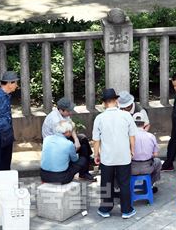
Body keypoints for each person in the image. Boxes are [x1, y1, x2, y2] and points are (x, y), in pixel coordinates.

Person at [93, 88, 137, 219]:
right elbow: (132, 136)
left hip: (107, 158)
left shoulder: (99, 118)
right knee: (124, 183)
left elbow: (96, 140)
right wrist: (132, 150)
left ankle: (105, 209)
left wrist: (96, 155)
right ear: (116, 100)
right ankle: (126, 210)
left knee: (106, 183)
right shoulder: (126, 115)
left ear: (104, 103)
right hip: (124, 156)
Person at [42, 97, 95, 181]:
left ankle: (84, 170)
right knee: (80, 152)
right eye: (68, 111)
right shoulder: (55, 119)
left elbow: (71, 126)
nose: (70, 113)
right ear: (61, 110)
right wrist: (72, 147)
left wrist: (76, 140)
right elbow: (62, 138)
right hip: (54, 143)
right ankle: (86, 161)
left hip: (63, 138)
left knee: (83, 139)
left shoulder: (64, 114)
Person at [0, 71, 19, 173]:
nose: (17, 85)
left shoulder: (7, 96)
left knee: (5, 164)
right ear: (9, 83)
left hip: (7, 135)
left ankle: (5, 187)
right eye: (15, 83)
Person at [130, 112, 161, 192]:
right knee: (158, 162)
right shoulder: (151, 136)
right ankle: (151, 184)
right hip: (147, 168)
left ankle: (120, 187)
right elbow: (156, 154)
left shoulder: (129, 137)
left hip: (132, 168)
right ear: (144, 124)